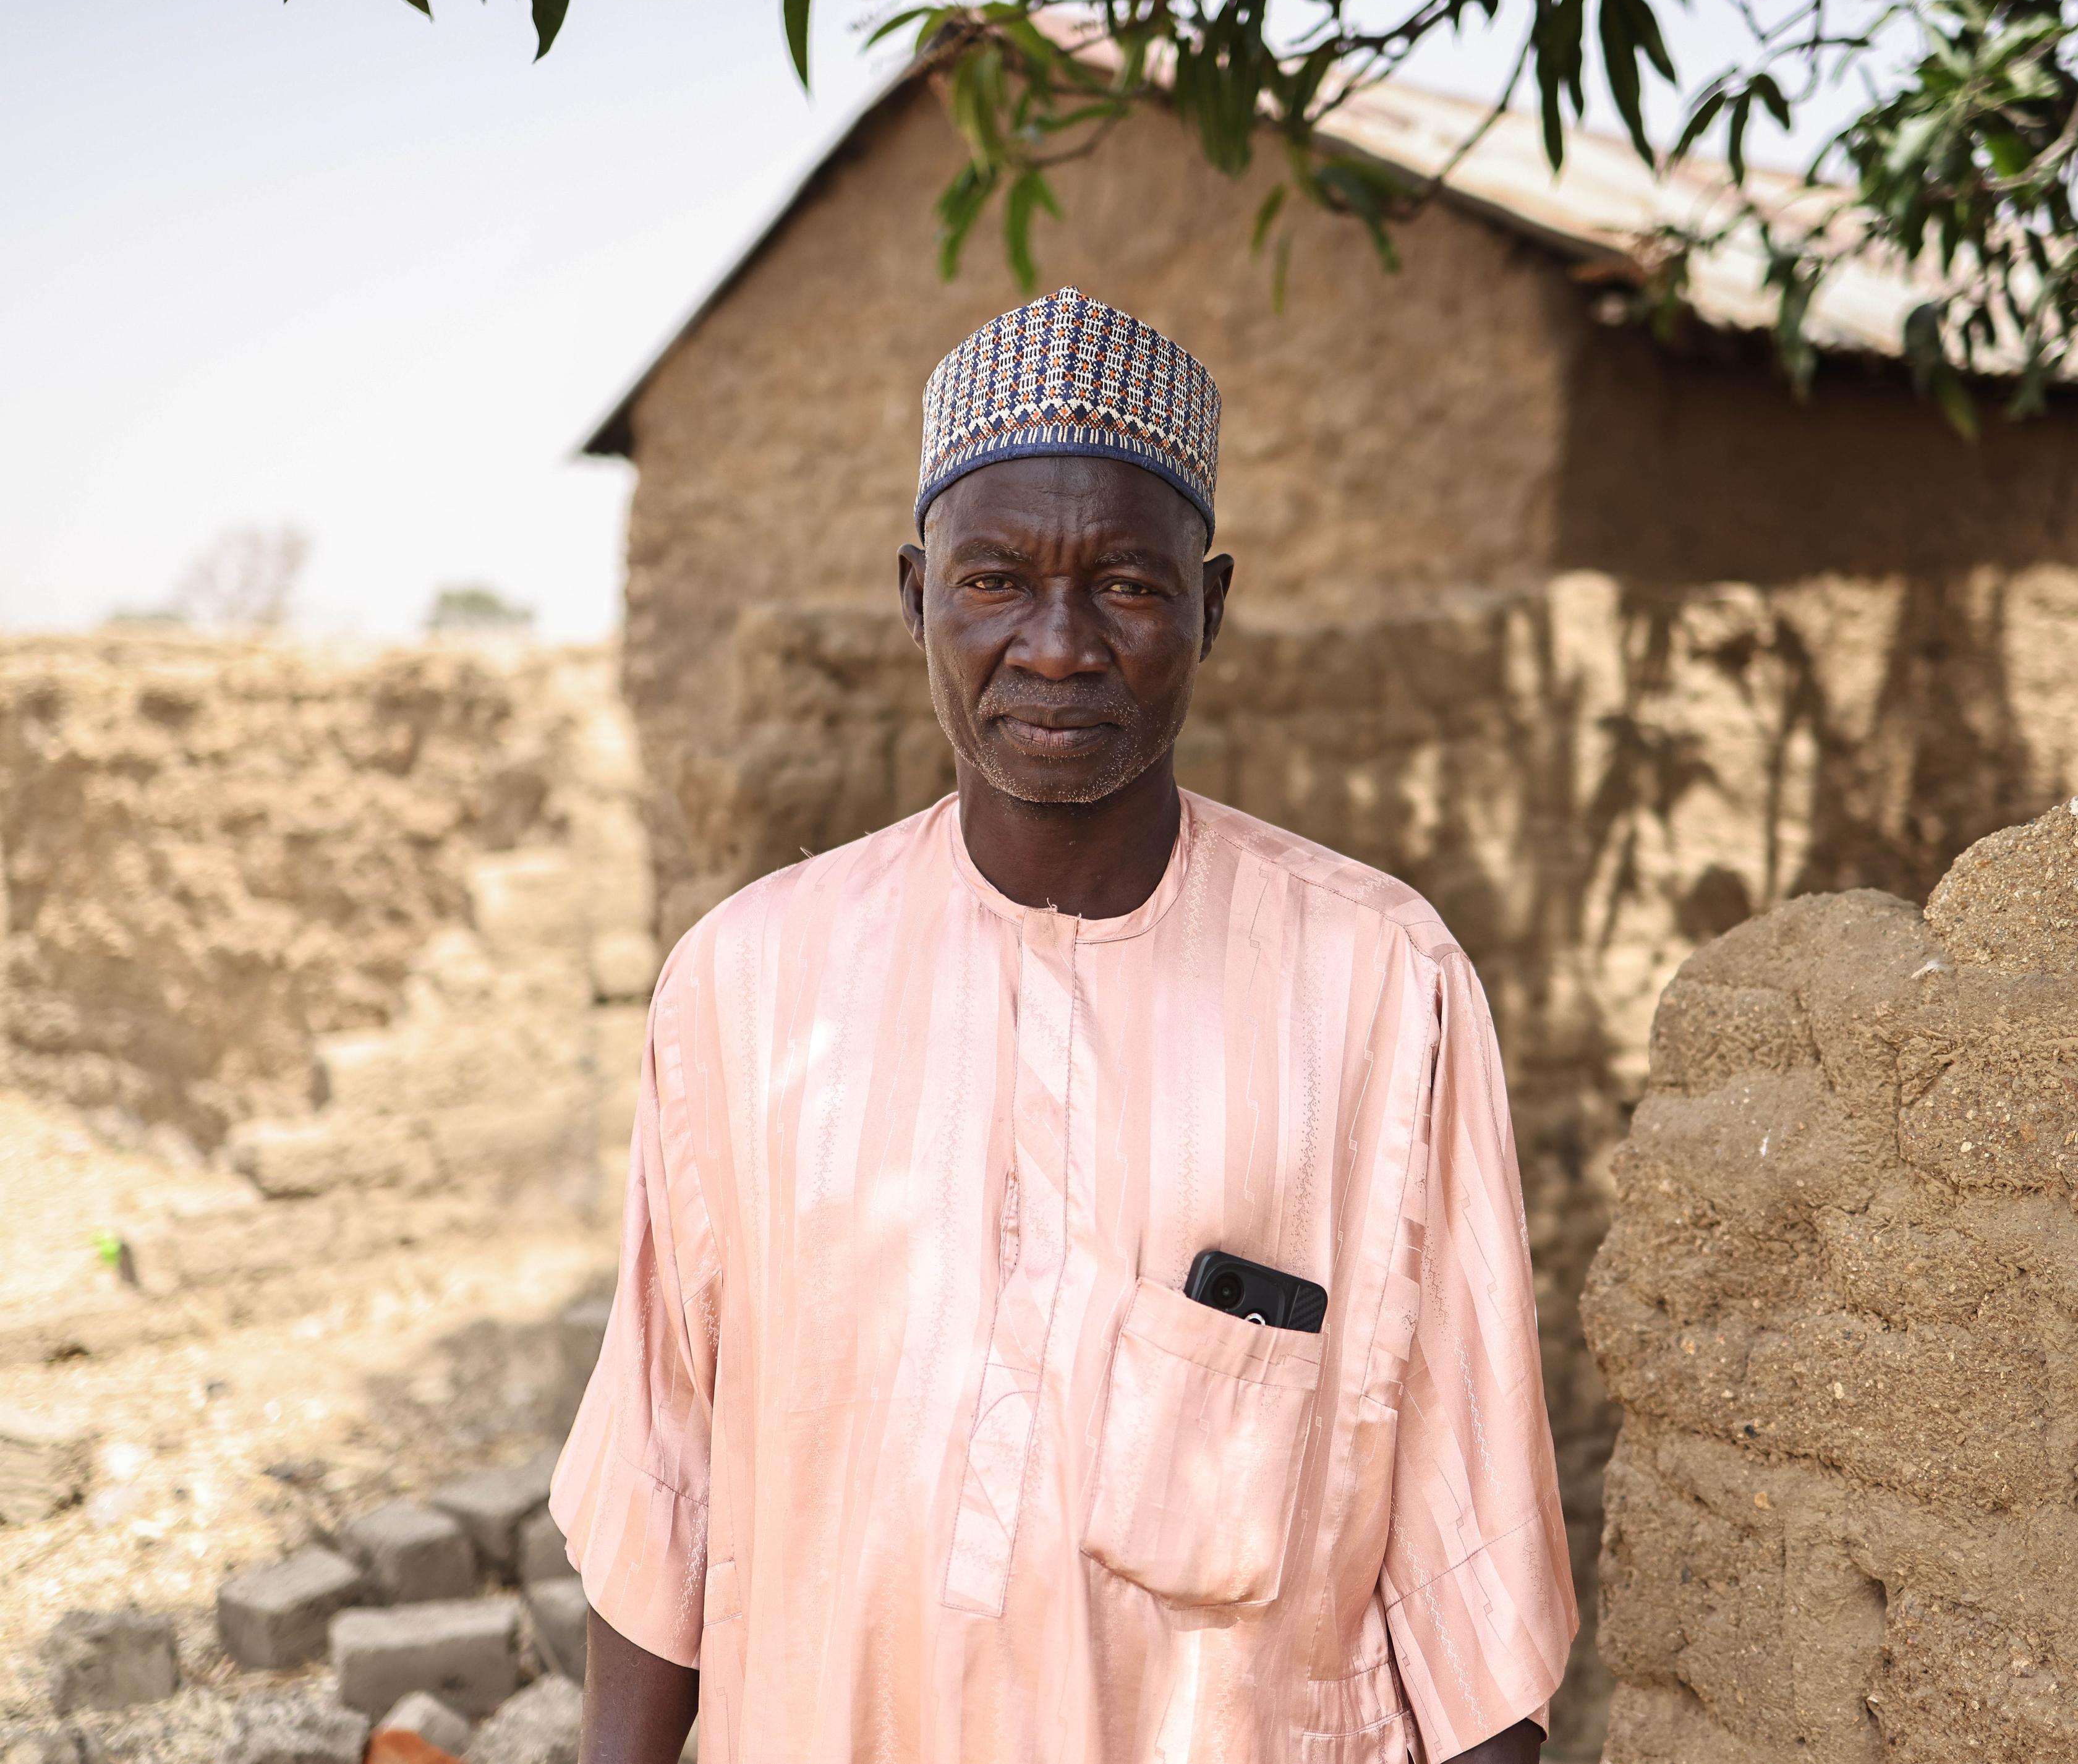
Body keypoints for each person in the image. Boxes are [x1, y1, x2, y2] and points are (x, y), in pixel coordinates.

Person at [558, 288, 1577, 1764]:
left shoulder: (1376, 984)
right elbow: (662, 1480)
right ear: (916, 596)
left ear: (1210, 607)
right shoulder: (744, 984)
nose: (1055, 645)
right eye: (993, 583)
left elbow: (1466, 1559)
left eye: (1125, 585)